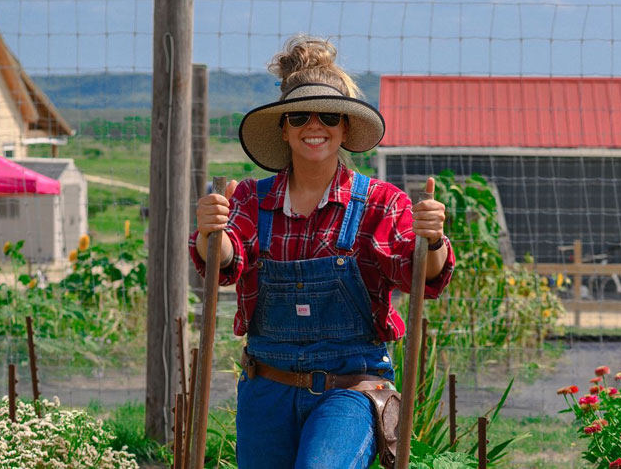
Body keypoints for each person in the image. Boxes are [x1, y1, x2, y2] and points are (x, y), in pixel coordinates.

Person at [189, 35, 455, 469]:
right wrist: (209, 231)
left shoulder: (380, 203)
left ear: (346, 127)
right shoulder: (250, 201)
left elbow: (417, 271)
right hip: (266, 387)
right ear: (284, 128)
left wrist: (433, 241)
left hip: (351, 386)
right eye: (299, 116)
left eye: (329, 116)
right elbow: (224, 260)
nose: (315, 126)